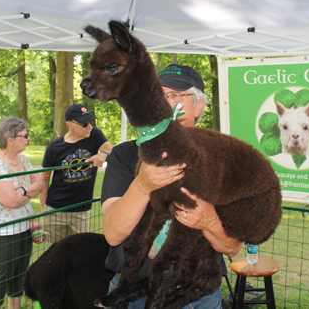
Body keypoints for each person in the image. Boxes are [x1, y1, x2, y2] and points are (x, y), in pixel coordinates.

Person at [102, 64, 242, 308]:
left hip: (198, 296)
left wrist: (208, 220)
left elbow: (232, 247)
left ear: (198, 106)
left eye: (175, 95)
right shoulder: (124, 155)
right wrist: (143, 185)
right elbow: (113, 235)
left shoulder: (222, 161)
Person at [0, 117, 43, 309]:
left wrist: (21, 192)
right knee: (1, 278)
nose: (28, 139)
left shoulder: (23, 159)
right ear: (10, 139)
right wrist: (26, 191)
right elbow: (10, 201)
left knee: (20, 274)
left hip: (23, 226)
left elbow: (38, 185)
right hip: (1, 231)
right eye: (25, 135)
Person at [40, 104, 113, 243]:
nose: (89, 127)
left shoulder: (94, 135)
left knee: (80, 251)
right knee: (56, 254)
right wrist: (45, 209)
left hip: (82, 211)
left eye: (90, 122)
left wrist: (103, 155)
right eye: (84, 124)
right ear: (70, 125)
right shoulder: (54, 148)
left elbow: (112, 151)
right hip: (55, 210)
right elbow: (44, 178)